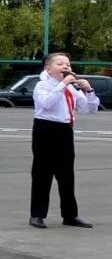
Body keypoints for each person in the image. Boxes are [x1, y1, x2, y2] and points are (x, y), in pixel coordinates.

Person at [29, 53, 99, 229]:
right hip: (45, 130)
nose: (65, 67)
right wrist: (63, 84)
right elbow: (46, 104)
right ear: (48, 69)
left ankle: (70, 215)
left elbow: (89, 110)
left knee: (67, 175)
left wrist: (88, 91)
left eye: (67, 64)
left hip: (65, 131)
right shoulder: (42, 85)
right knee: (42, 174)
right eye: (60, 64)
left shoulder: (72, 88)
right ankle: (37, 214)